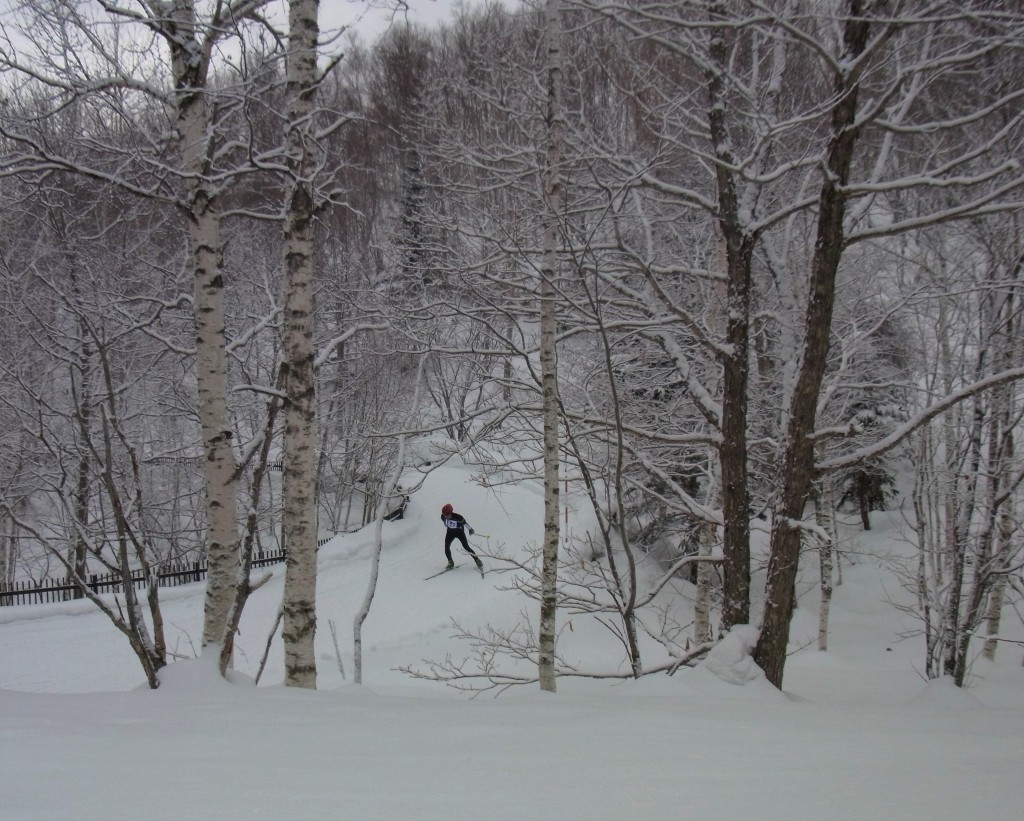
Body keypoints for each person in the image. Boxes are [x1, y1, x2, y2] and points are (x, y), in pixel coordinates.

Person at [440, 503, 484, 571]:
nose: (446, 516)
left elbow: (465, 523)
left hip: (460, 533)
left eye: (447, 515)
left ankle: (477, 560)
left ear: (451, 513)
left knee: (466, 547)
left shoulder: (459, 517)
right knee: (446, 546)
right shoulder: (442, 517)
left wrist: (470, 529)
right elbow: (447, 523)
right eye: (445, 514)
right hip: (450, 533)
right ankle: (450, 562)